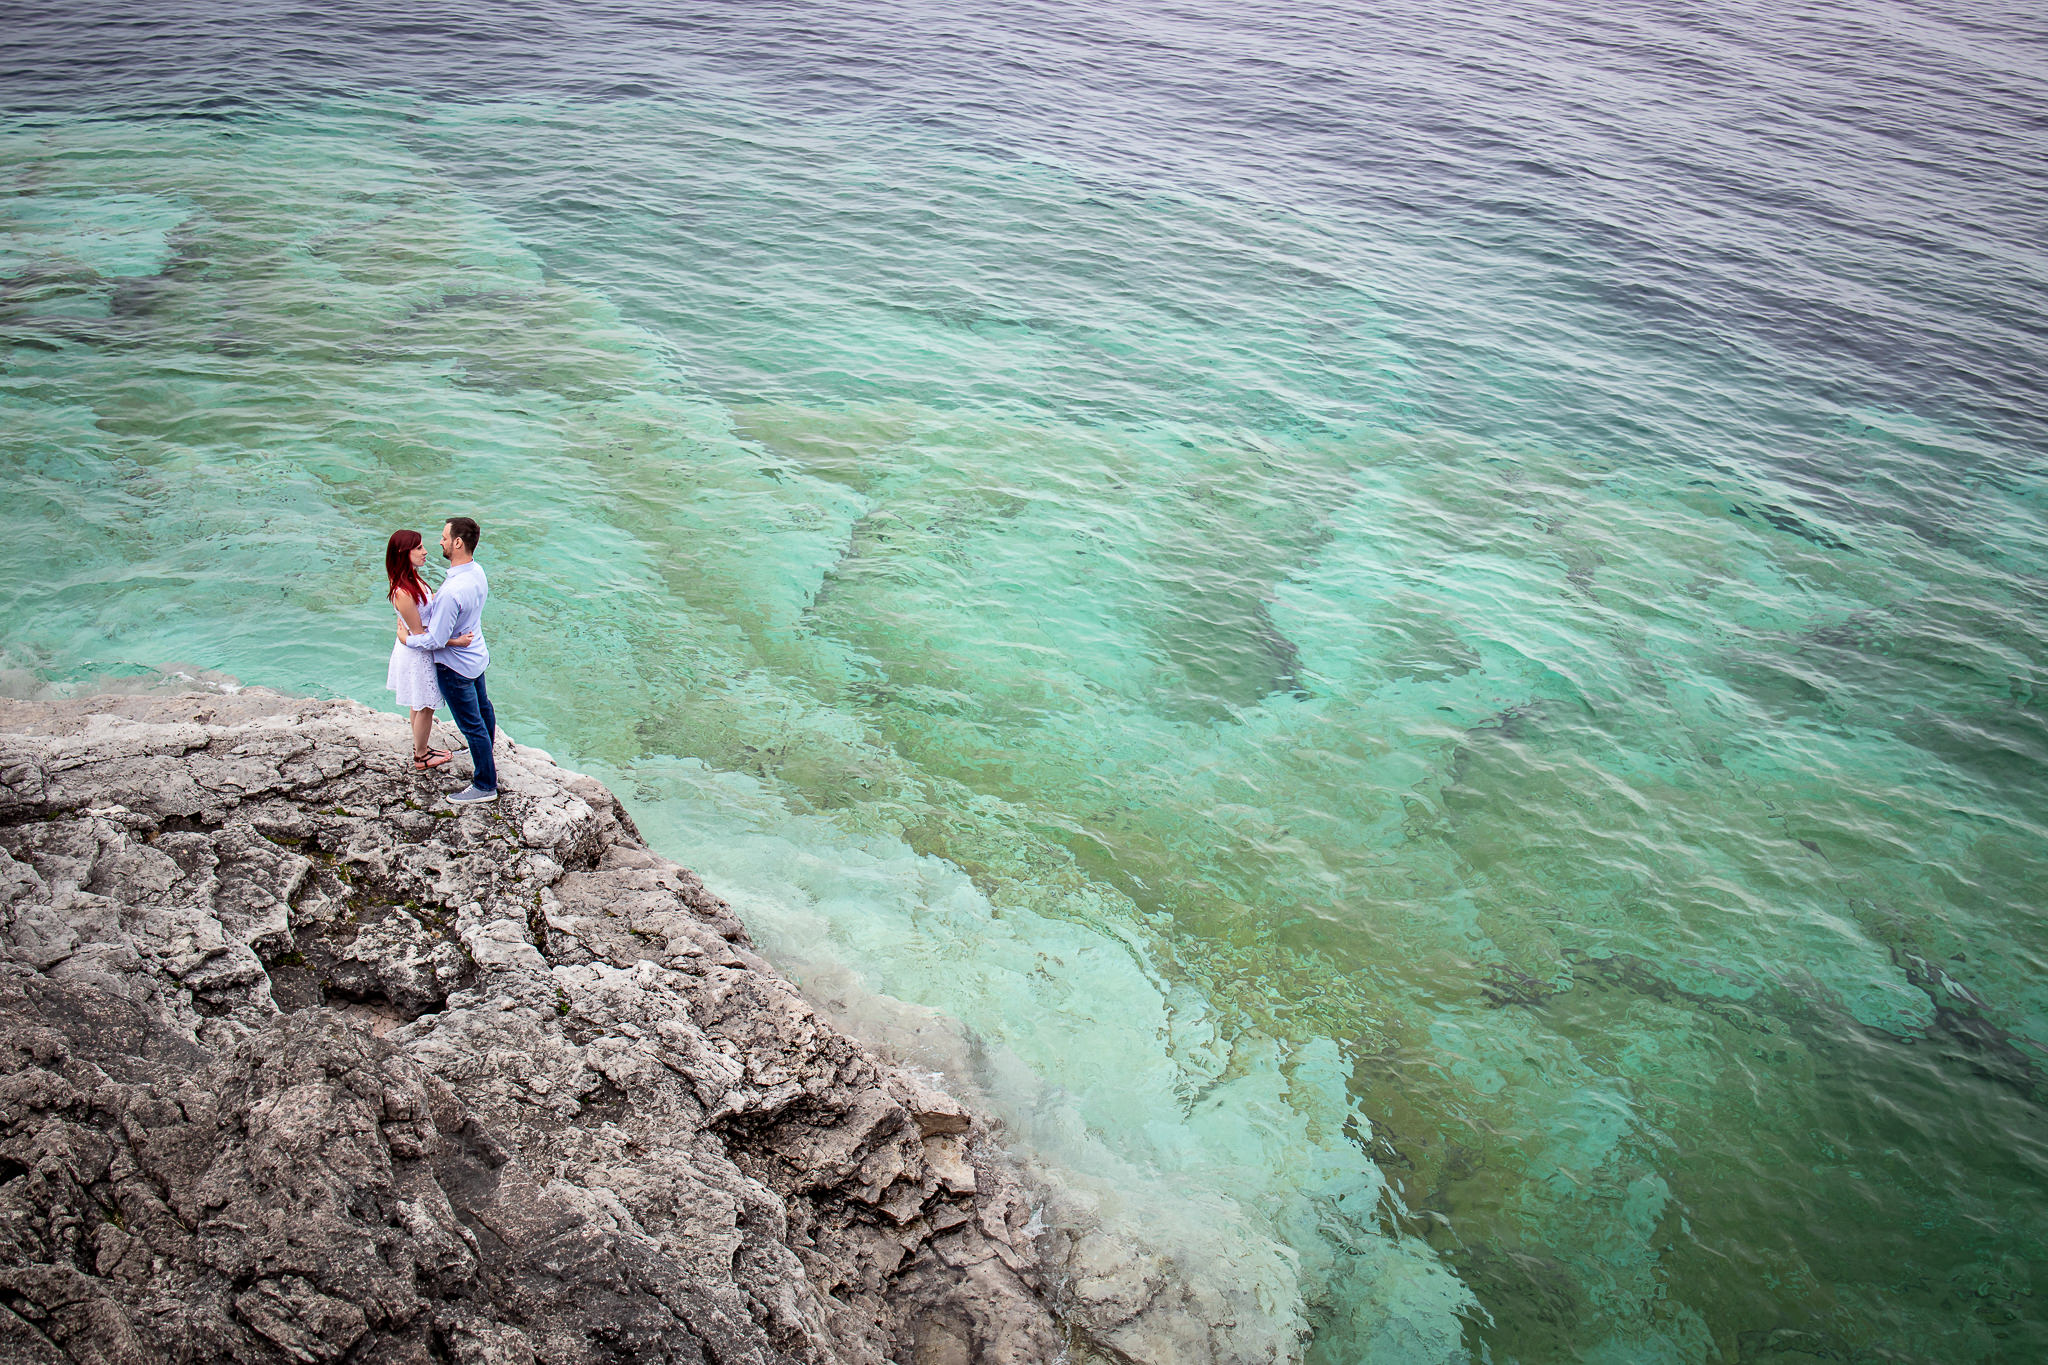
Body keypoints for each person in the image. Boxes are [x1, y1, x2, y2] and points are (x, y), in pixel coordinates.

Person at [399, 516, 497, 805]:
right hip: (476, 656)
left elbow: (435, 641)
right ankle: (486, 754)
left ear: (457, 542)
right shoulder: (477, 572)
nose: (439, 542)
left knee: (472, 726)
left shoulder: (451, 592)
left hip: (454, 666)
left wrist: (407, 640)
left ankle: (484, 785)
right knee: (484, 708)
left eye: (443, 537)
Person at [382, 529, 468, 771]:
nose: (426, 551)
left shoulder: (412, 580)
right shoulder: (403, 591)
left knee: (418, 703)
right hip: (416, 654)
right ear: (403, 553)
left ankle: (422, 747)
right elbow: (420, 635)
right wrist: (455, 642)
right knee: (425, 706)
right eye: (418, 548)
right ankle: (421, 756)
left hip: (416, 650)